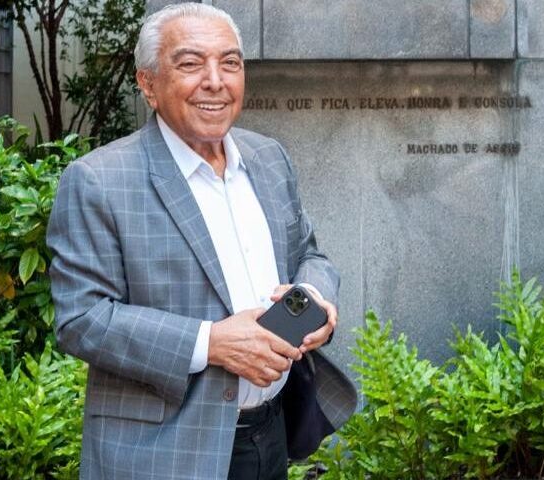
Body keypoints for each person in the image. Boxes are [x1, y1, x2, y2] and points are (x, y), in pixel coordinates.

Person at [47, 4, 356, 479]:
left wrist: (314, 297)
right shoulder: (98, 180)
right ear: (148, 83)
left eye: (230, 62)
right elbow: (81, 319)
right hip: (163, 452)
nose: (215, 80)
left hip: (270, 435)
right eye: (190, 63)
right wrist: (210, 343)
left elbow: (309, 255)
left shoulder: (268, 157)